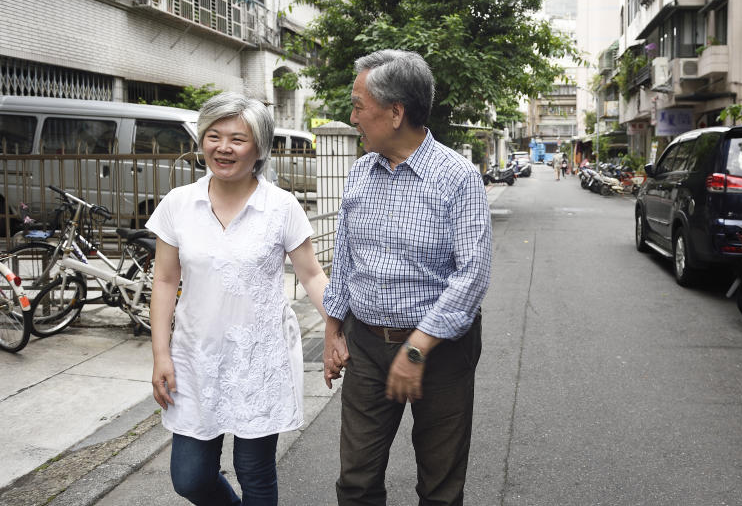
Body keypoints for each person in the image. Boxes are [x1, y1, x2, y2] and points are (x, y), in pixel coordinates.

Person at [322, 49, 492, 506]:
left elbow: (473, 273)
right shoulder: (361, 171)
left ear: (396, 112)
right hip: (366, 346)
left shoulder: (457, 177)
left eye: (359, 105)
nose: (352, 116)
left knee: (439, 485)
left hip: (442, 353)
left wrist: (417, 346)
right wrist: (333, 328)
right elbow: (347, 253)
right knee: (355, 482)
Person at [148, 92, 330, 506]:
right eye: (213, 136)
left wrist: (339, 328)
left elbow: (312, 274)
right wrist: (161, 354)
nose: (223, 148)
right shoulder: (178, 204)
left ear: (259, 148)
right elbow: (164, 280)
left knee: (255, 472)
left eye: (237, 139)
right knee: (190, 478)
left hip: (258, 360)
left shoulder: (281, 207)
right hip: (195, 359)